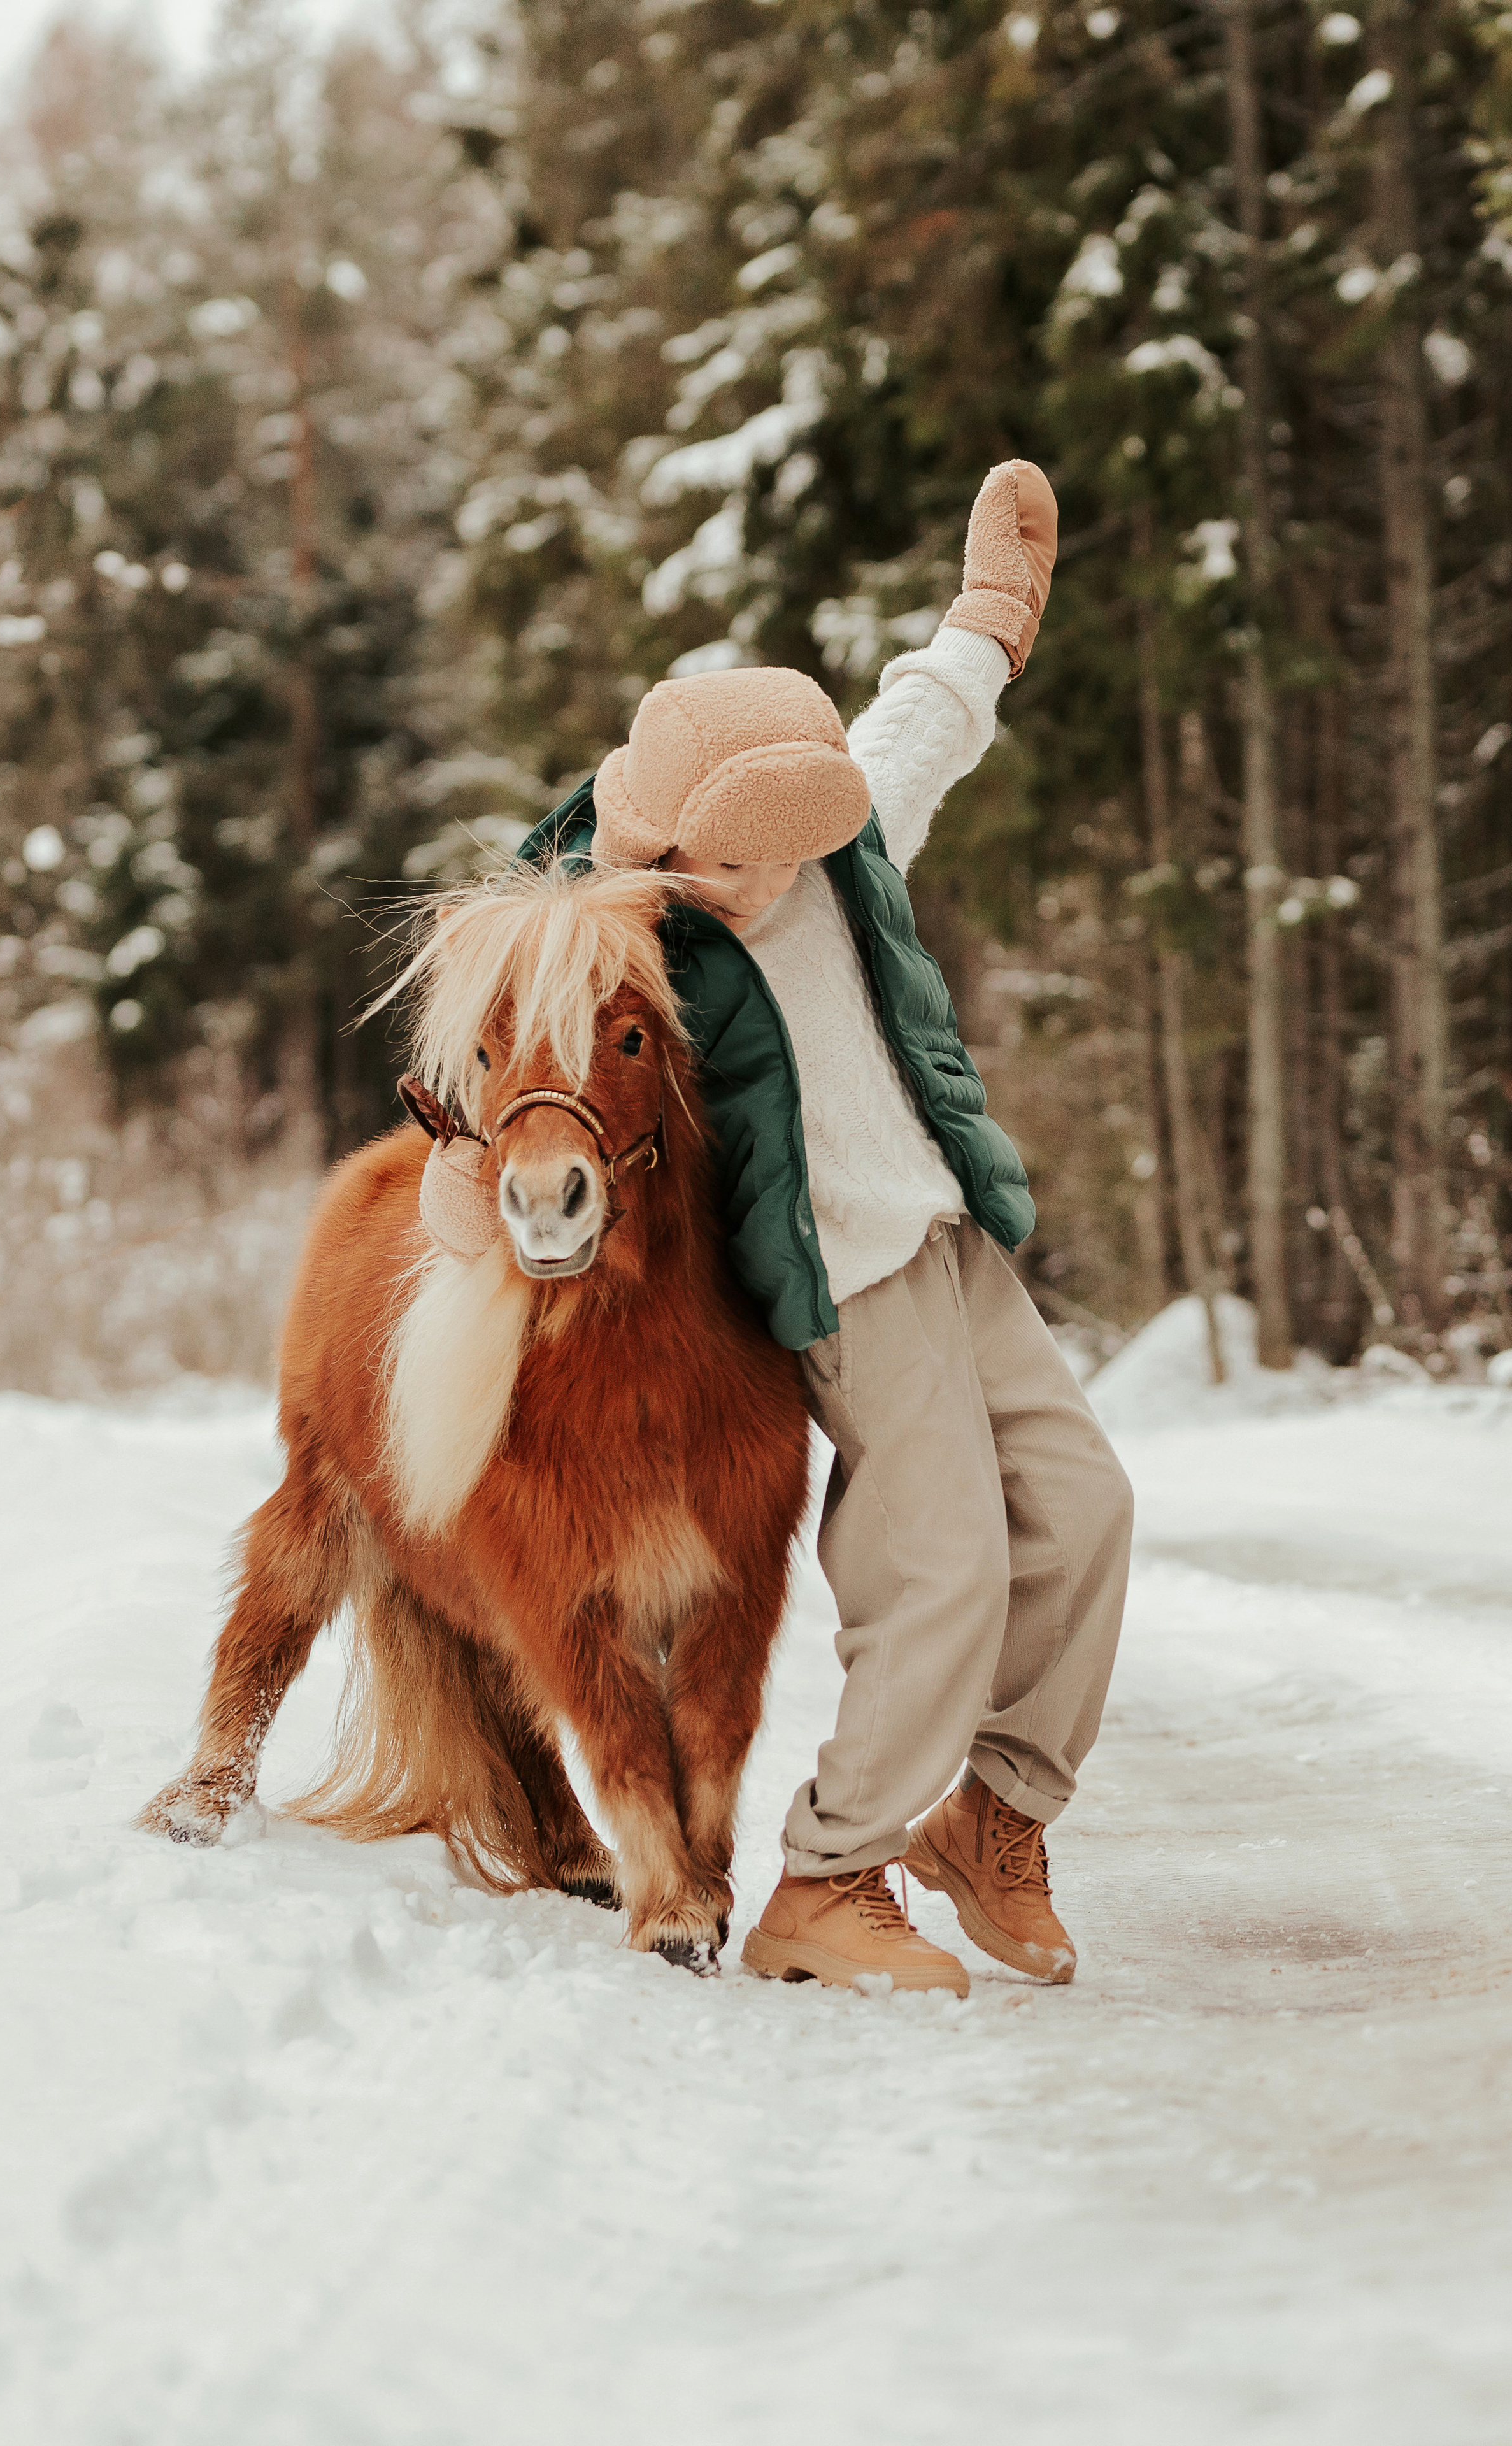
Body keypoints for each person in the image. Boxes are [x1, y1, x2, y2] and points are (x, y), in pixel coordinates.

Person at [422, 462, 1133, 1995]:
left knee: (1085, 1510)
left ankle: (993, 1817)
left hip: (945, 1235)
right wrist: (461, 1194)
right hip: (837, 1282)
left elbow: (921, 723)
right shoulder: (604, 932)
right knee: (943, 1566)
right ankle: (827, 1878)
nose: (741, 887)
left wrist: (991, 617)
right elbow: (508, 1084)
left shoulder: (827, 839)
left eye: (772, 856)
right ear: (655, 832)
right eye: (715, 860)